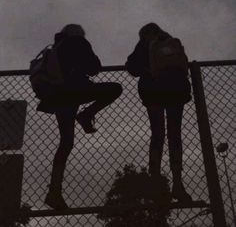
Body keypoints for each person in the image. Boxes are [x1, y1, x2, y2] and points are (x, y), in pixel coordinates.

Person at [37, 24, 123, 209]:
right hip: (75, 90)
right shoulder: (78, 41)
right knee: (116, 88)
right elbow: (94, 68)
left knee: (66, 142)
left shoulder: (55, 47)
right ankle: (87, 115)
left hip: (58, 96)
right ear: (77, 33)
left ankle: (54, 191)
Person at [125, 23, 192, 202]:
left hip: (153, 90)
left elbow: (131, 68)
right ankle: (178, 184)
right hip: (176, 89)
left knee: (158, 134)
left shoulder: (145, 44)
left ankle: (155, 183)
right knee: (174, 134)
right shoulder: (171, 42)